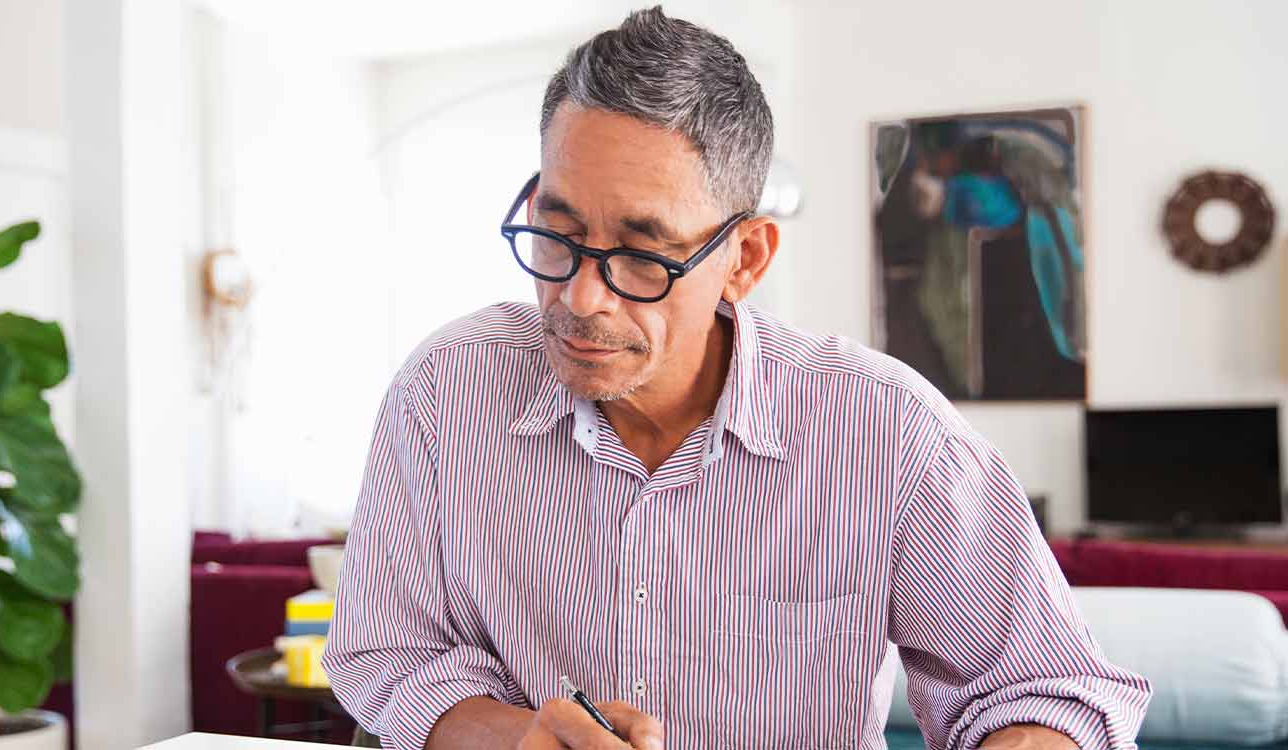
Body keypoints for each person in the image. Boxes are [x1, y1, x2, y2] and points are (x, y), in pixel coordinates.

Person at [324, 8, 1150, 749]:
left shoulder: (888, 432)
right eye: (557, 234)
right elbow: (386, 653)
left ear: (743, 259)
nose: (579, 299)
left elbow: (1048, 691)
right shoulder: (443, 392)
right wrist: (517, 739)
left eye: (643, 255)